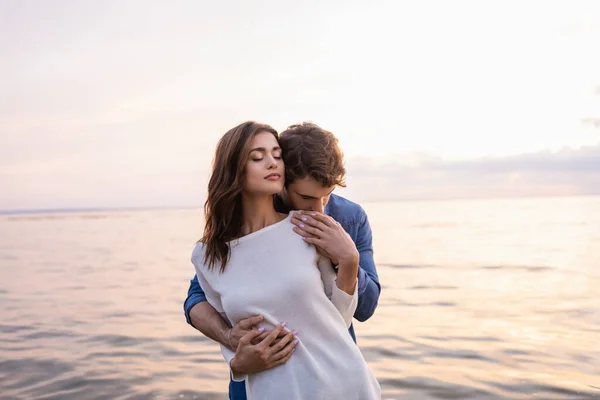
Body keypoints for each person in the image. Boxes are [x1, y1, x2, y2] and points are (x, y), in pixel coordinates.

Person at [185, 122, 382, 399]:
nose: (319, 210)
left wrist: (347, 258)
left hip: (333, 376)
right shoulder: (222, 243)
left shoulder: (347, 217)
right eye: (307, 197)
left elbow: (363, 308)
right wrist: (234, 349)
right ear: (284, 180)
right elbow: (197, 298)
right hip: (261, 381)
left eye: (327, 196)